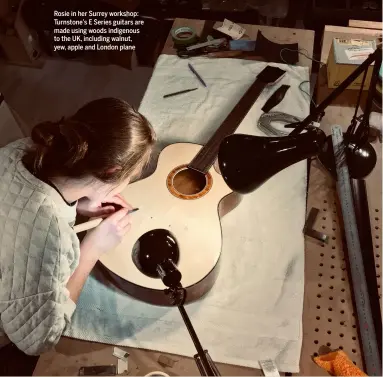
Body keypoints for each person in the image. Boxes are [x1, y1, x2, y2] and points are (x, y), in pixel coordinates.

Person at [0, 98, 156, 356]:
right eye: (129, 177)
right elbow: (37, 341)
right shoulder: (51, 237)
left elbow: (23, 200)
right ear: (111, 171)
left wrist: (79, 204)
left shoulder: (22, 150)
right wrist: (91, 250)